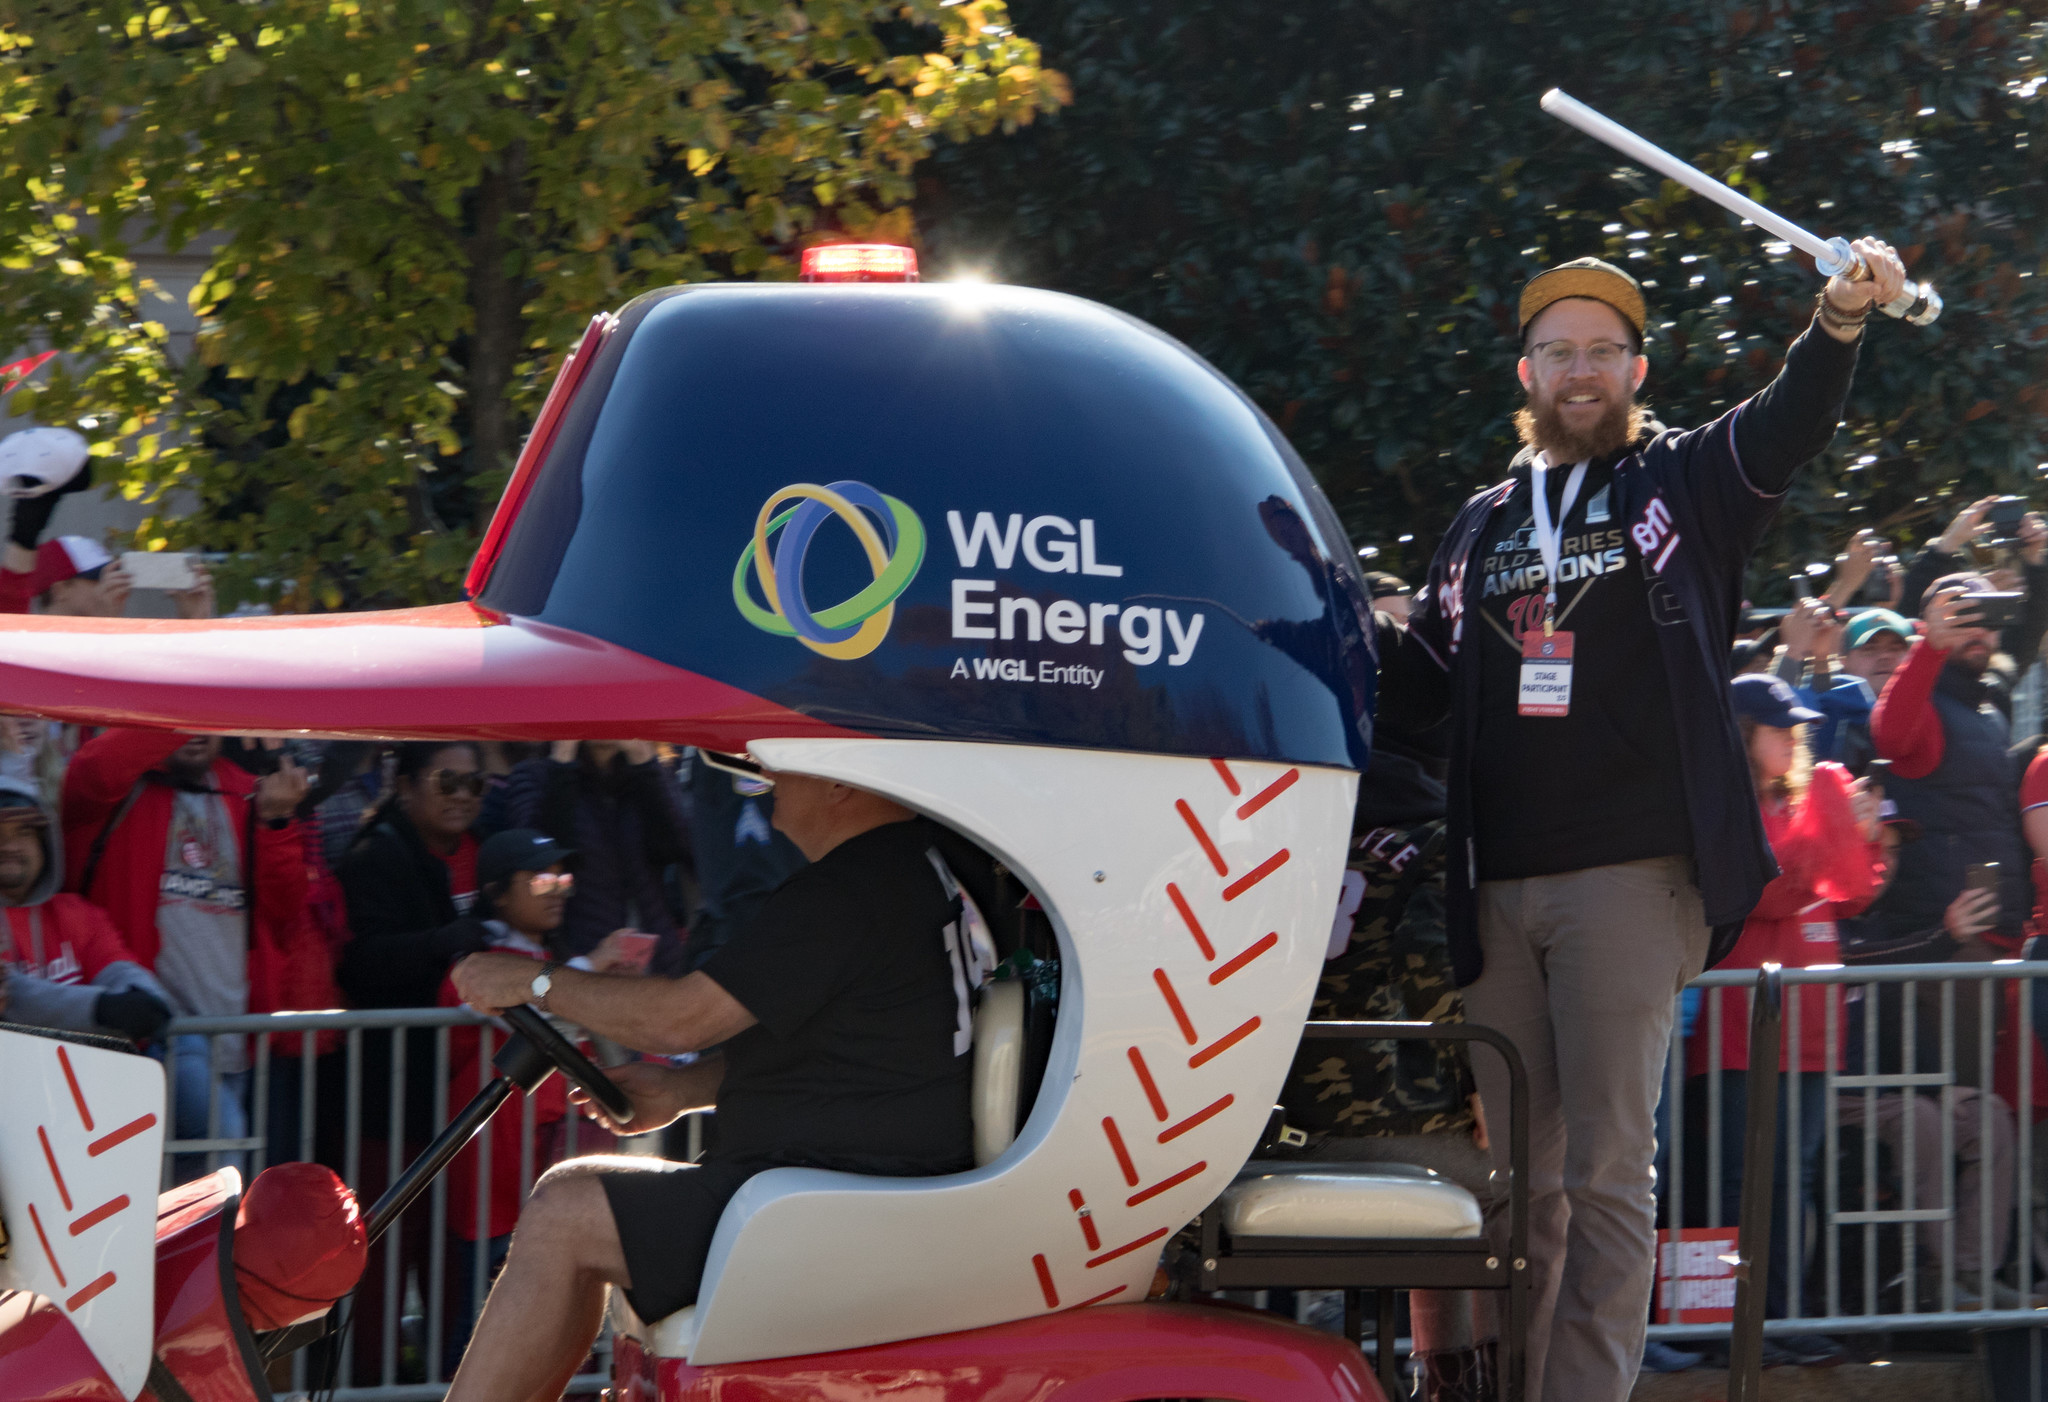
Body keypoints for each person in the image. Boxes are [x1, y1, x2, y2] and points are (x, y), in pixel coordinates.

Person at [1376, 239, 1908, 1400]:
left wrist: (1833, 322)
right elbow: (1412, 693)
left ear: (1635, 370)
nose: (1579, 370)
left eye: (1601, 351)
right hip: (1491, 890)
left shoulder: (1678, 484)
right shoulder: (1478, 525)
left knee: (1606, 1172)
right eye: (1557, 351)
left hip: (1629, 878)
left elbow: (1782, 427)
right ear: (1524, 373)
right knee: (1517, 1184)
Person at [441, 770, 979, 1401]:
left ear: (841, 784)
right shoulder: (901, 869)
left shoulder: (851, 889)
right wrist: (680, 1091)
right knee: (570, 1192)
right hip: (834, 1182)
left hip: (832, 1193)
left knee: (564, 1216)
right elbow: (841, 1049)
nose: (768, 778)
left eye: (785, 766)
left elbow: (682, 1018)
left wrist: (533, 982)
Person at [1277, 734, 1495, 1398]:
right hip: (1375, 1118)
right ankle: (1474, 1379)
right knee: (1520, 1185)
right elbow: (1430, 968)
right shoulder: (1437, 838)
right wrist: (1477, 1078)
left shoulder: (1296, 833)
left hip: (1271, 1123)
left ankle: (1444, 1373)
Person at [1685, 675, 1883, 1364]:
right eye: (1780, 727)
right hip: (1741, 1024)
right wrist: (1829, 819)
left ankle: (1783, 1318)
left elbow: (1852, 892)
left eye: (1797, 726)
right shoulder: (1727, 803)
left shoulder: (1805, 797)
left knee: (1792, 1177)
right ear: (1742, 733)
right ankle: (1736, 1327)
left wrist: (1852, 831)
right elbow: (1765, 895)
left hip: (1812, 1026)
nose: (1796, 738)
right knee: (1738, 1179)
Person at [60, 729, 309, 1179]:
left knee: (178, 1195)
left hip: (231, 1037)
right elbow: (93, 771)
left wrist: (276, 821)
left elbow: (283, 911)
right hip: (144, 1035)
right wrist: (182, 712)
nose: (197, 733)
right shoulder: (116, 786)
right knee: (218, 1163)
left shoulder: (246, 791)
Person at [434, 829, 629, 1374]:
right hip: (494, 1172)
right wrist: (592, 969)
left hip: (539, 1168)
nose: (559, 888)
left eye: (564, 877)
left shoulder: (545, 962)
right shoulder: (479, 964)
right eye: (542, 878)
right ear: (498, 892)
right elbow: (518, 998)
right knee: (483, 1321)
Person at [1870, 579, 2035, 957]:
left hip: (2000, 932)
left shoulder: (1990, 710)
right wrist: (1929, 647)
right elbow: (1891, 739)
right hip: (1945, 939)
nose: (1978, 631)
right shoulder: (1922, 702)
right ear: (1927, 626)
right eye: (1962, 617)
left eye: (1988, 618)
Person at [0, 773, 172, 1042]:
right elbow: (13, 997)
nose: (10, 846)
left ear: (45, 844)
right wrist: (99, 1009)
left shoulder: (76, 914)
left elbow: (118, 969)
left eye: (24, 833)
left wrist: (144, 996)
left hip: (72, 1068)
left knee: (185, 1044)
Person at [497, 740, 691, 972]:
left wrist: (644, 763)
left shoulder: (649, 769)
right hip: (580, 954)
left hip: (656, 956)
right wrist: (563, 763)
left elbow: (677, 850)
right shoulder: (535, 774)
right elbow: (538, 859)